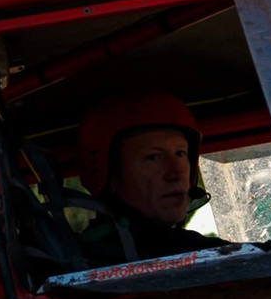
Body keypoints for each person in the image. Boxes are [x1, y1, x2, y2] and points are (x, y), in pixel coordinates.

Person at [70, 91, 220, 265]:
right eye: (154, 157)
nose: (176, 173)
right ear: (110, 174)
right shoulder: (102, 256)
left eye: (180, 153)